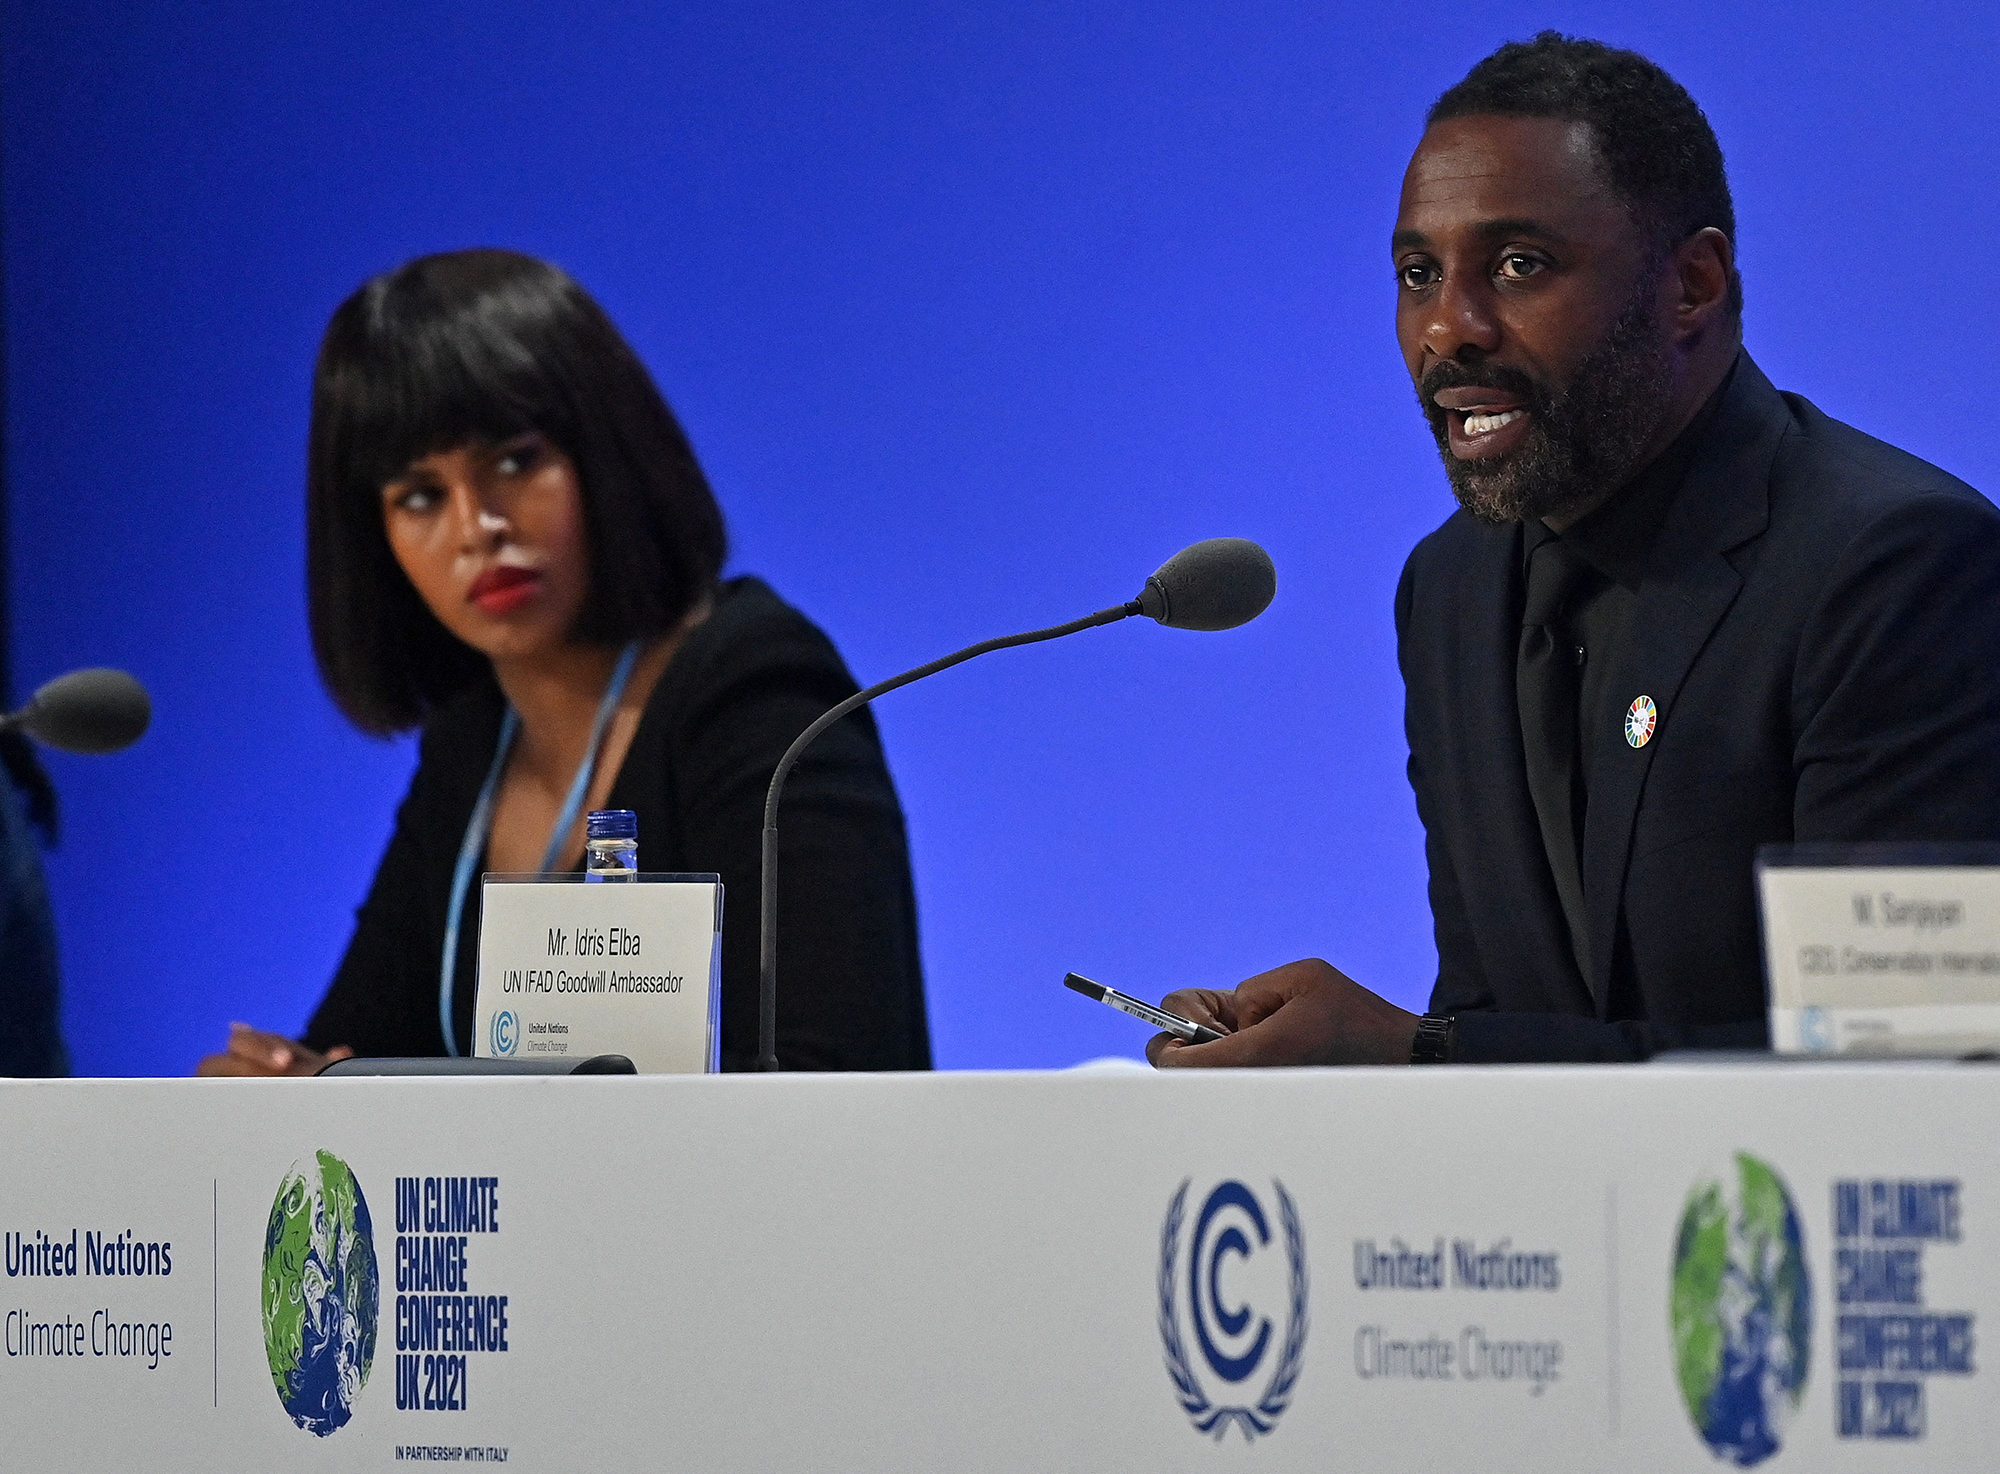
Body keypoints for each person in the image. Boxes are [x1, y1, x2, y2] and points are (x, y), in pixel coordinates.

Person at [1150, 33, 2000, 1068]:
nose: (1447, 329)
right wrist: (1349, 1062)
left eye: (1517, 265)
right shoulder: (1450, 589)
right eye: (1418, 273)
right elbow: (1498, 1005)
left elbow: (1900, 1064)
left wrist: (1416, 1053)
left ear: (1690, 284)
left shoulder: (1891, 566)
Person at [197, 249, 929, 1075]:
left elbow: (839, 1087)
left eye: (513, 462)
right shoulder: (472, 745)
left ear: (607, 458)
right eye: (421, 496)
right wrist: (276, 1095)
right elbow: (357, 1056)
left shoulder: (757, 688)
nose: (477, 528)